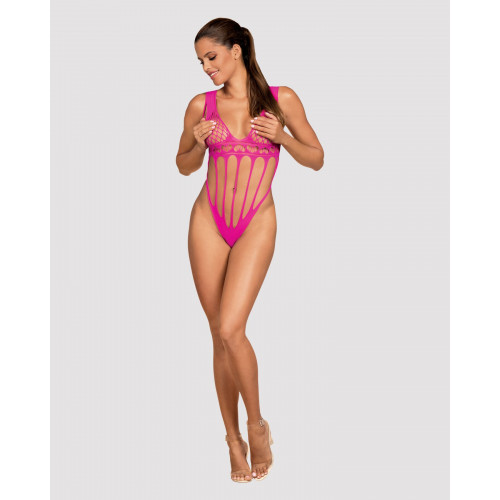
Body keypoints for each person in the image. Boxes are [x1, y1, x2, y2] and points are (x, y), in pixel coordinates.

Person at [176, 17, 324, 483]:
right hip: (208, 221)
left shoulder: (282, 100)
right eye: (201, 61)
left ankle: (257, 426)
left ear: (237, 50)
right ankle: (232, 439)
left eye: (212, 57)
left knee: (232, 327)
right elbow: (183, 165)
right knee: (217, 332)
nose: (206, 67)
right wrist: (197, 146)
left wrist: (283, 138)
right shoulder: (201, 105)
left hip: (256, 221)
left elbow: (317, 158)